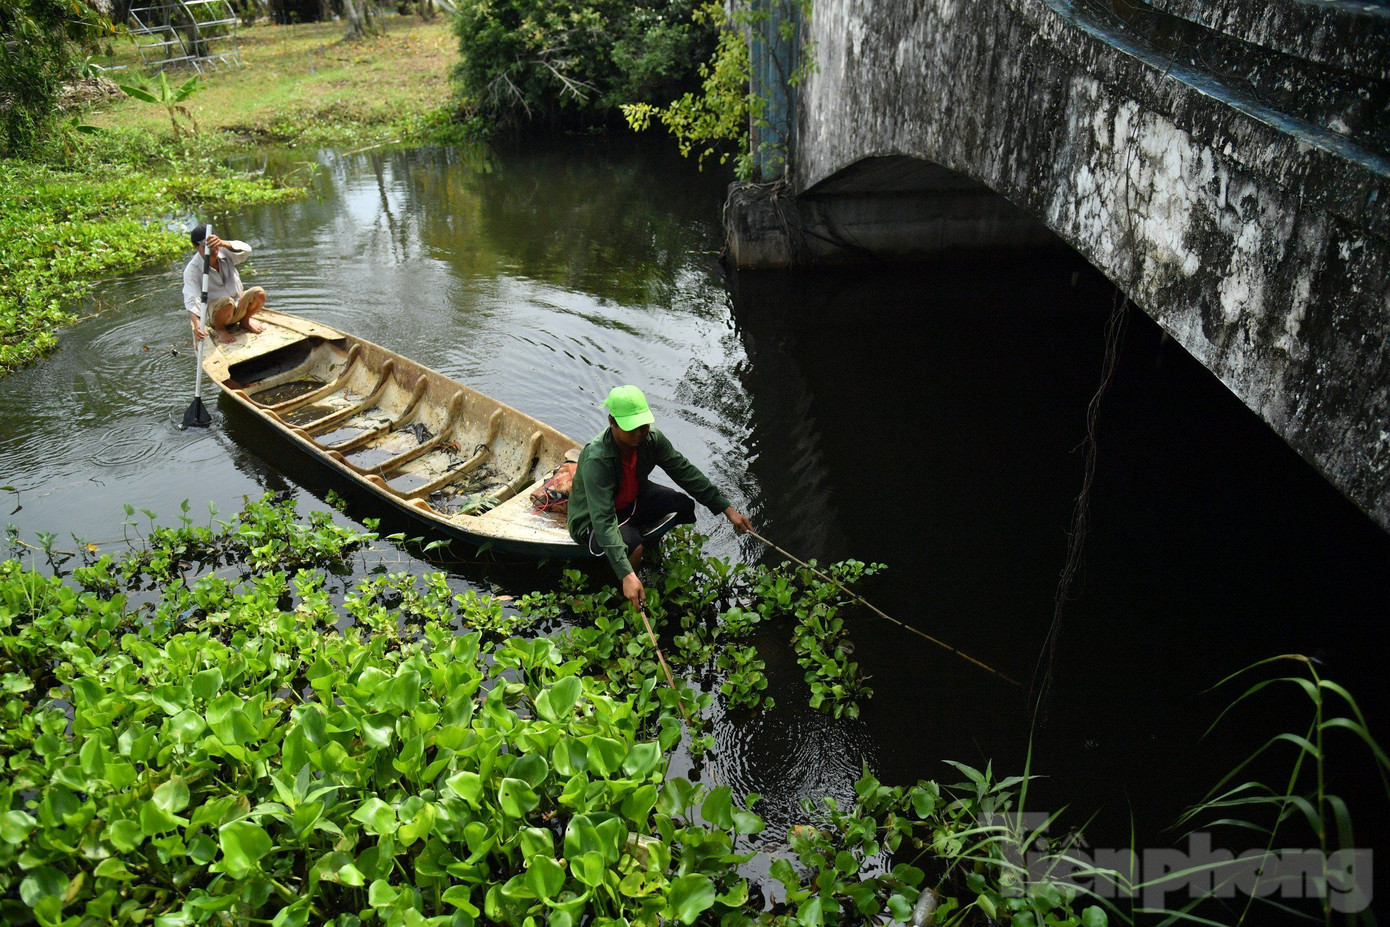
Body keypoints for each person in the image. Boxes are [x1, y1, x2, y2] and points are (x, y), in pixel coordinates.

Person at [567, 385, 753, 609]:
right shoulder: (597, 459)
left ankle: (650, 554)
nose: (639, 434)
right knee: (631, 546)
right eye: (631, 428)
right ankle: (624, 595)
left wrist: (728, 510)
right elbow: (603, 520)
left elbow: (684, 472)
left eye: (643, 427)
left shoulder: (651, 440)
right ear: (612, 423)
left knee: (679, 504)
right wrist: (626, 574)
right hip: (593, 518)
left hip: (631, 499)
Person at [183, 225, 266, 345]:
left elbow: (247, 250)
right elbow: (191, 299)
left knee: (259, 293)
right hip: (216, 313)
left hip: (237, 304)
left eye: (215, 243)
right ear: (195, 247)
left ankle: (245, 320)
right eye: (207, 246)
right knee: (226, 302)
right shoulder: (192, 270)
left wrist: (223, 243)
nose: (213, 248)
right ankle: (220, 329)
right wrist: (196, 325)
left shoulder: (225, 251)